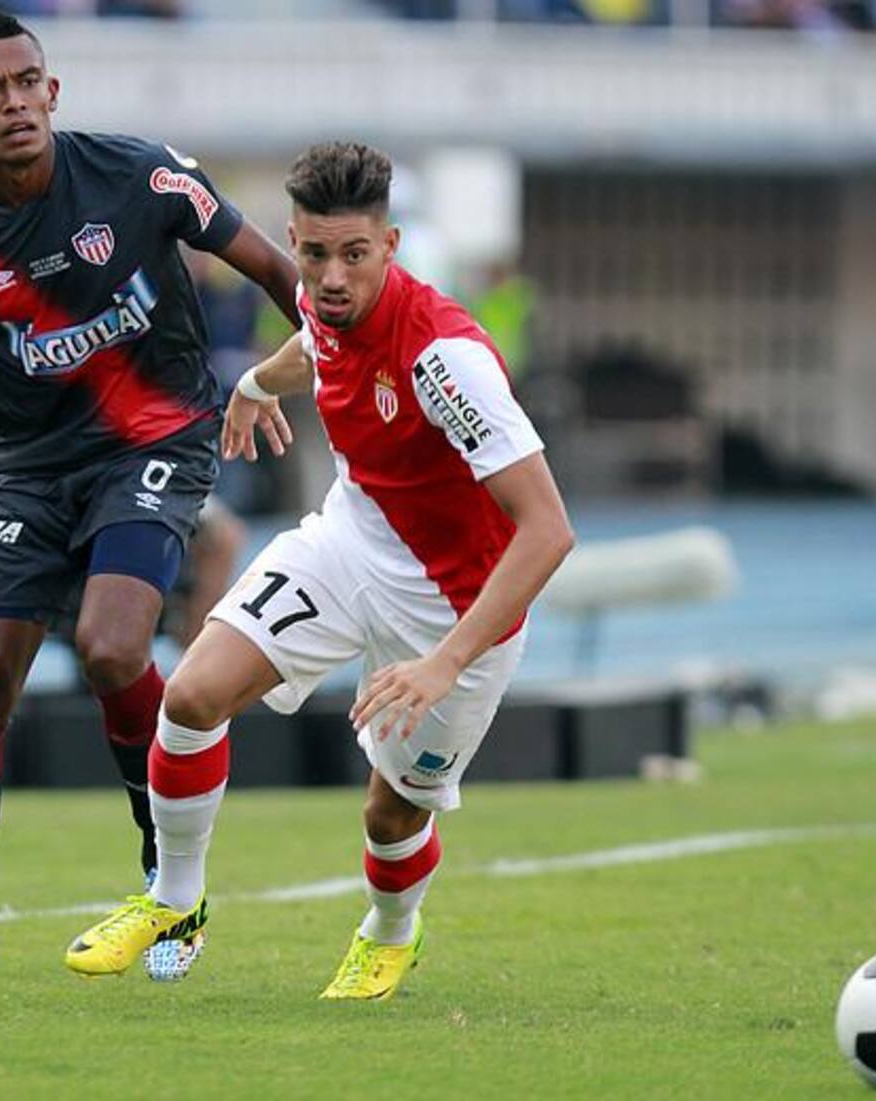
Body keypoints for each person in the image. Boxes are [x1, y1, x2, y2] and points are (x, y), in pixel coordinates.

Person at [67, 142, 574, 997]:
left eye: (354, 255)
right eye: (313, 254)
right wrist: (260, 381)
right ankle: (174, 899)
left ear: (393, 245)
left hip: (454, 612)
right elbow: (316, 342)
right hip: (347, 545)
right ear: (294, 242)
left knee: (390, 815)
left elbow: (549, 531)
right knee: (190, 695)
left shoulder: (446, 361)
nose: (331, 277)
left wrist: (445, 659)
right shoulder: (319, 297)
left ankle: (391, 929)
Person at [0, 11, 299, 979]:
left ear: (52, 90)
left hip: (157, 441)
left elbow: (276, 271)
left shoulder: (141, 175)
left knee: (110, 646)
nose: (12, 101)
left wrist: (336, 378)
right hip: (29, 471)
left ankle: (168, 892)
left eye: (27, 82)